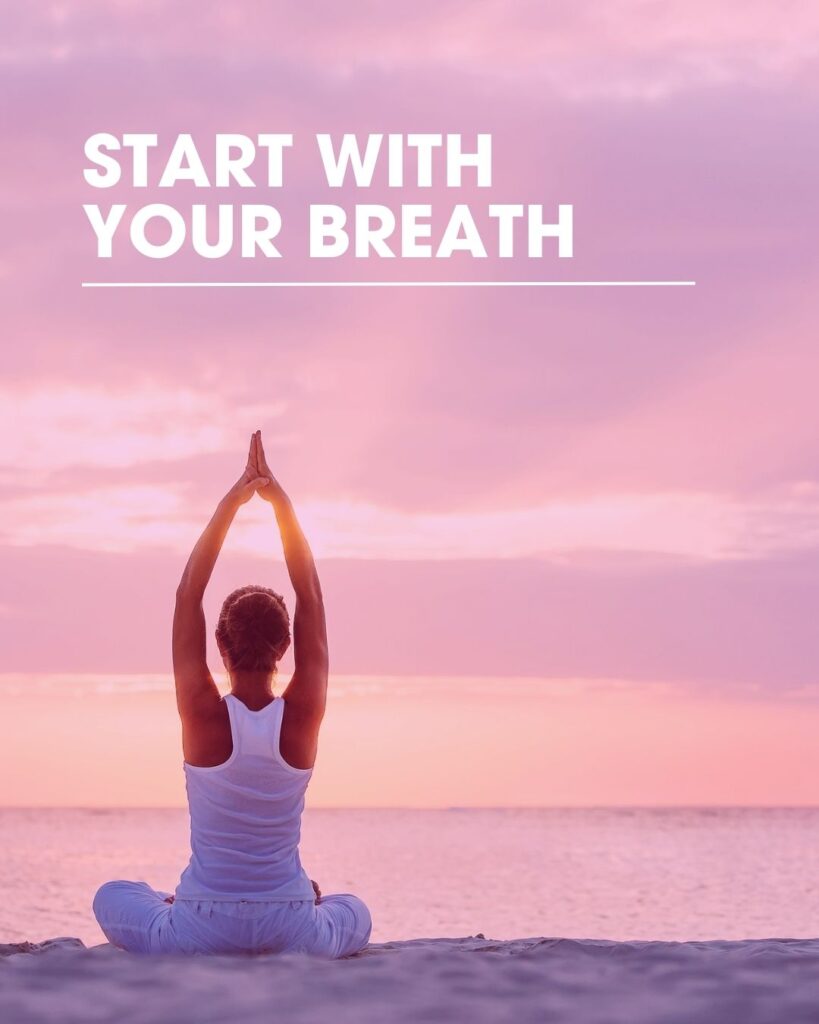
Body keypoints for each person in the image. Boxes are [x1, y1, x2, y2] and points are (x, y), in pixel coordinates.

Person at [92, 431, 372, 957]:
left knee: (112, 895)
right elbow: (309, 591)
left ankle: (173, 902)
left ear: (219, 644)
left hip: (201, 924)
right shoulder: (302, 715)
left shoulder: (201, 715)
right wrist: (279, 504)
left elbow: (187, 593)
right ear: (286, 646)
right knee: (355, 908)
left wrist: (233, 500)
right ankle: (303, 898)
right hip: (291, 923)